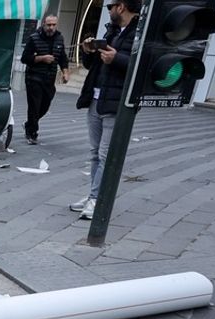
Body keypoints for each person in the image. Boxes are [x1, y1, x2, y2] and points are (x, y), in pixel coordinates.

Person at [72, 0, 140, 221]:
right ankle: (94, 194)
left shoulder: (139, 33)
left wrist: (116, 58)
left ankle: (96, 199)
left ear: (121, 7)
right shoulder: (110, 31)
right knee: (94, 153)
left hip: (116, 101)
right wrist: (89, 52)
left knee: (104, 154)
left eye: (111, 6)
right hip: (96, 98)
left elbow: (143, 66)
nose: (108, 10)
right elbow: (93, 66)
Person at [20, 14, 69, 145]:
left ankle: (29, 124)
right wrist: (41, 58)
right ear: (43, 24)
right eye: (49, 25)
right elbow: (25, 58)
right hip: (34, 77)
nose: (51, 27)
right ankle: (32, 133)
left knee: (45, 106)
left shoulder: (59, 38)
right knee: (34, 106)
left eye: (53, 25)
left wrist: (65, 72)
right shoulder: (34, 38)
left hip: (50, 79)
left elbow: (63, 58)